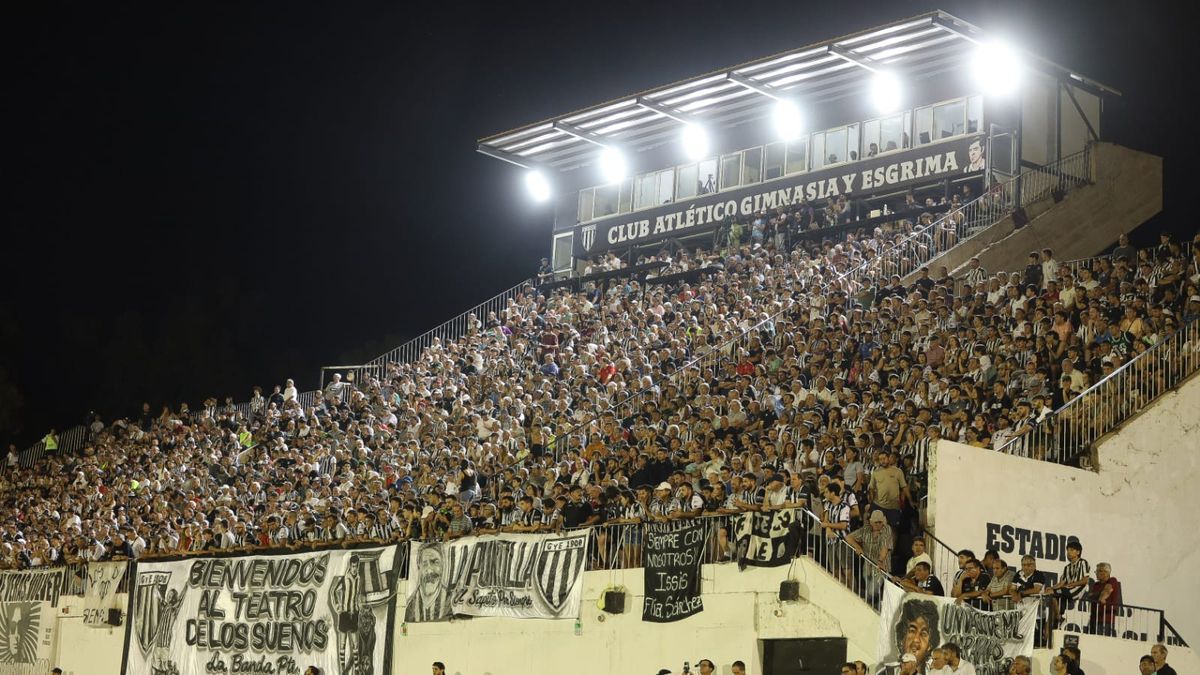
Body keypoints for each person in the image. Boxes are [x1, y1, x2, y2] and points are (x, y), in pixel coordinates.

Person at [1049, 541, 1090, 630]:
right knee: (1051, 596)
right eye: (1067, 550)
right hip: (1066, 590)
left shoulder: (1083, 562)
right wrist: (1050, 588)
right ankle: (1059, 619)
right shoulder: (1067, 567)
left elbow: (1085, 580)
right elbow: (1061, 583)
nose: (1068, 552)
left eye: (1071, 550)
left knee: (1053, 594)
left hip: (1076, 590)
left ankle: (1060, 618)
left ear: (1078, 552)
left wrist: (1071, 584)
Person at [894, 598, 940, 665]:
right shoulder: (887, 672)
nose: (916, 639)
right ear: (902, 638)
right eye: (912, 631)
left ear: (930, 645)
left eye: (923, 634)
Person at [1087, 562, 1121, 636]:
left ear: (1105, 572)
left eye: (1098, 571)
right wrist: (1100, 594)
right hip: (1093, 619)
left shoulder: (1112, 580)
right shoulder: (1096, 584)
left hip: (1105, 620)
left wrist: (1101, 597)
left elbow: (1107, 590)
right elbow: (1090, 596)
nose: (1096, 573)